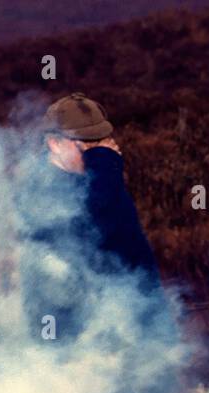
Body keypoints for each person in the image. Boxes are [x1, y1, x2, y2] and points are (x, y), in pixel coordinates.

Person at [40, 93, 161, 291]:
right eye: (85, 143)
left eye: (102, 140)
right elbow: (94, 234)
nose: (98, 150)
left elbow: (132, 250)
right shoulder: (42, 189)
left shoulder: (99, 178)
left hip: (130, 308)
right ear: (55, 144)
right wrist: (105, 167)